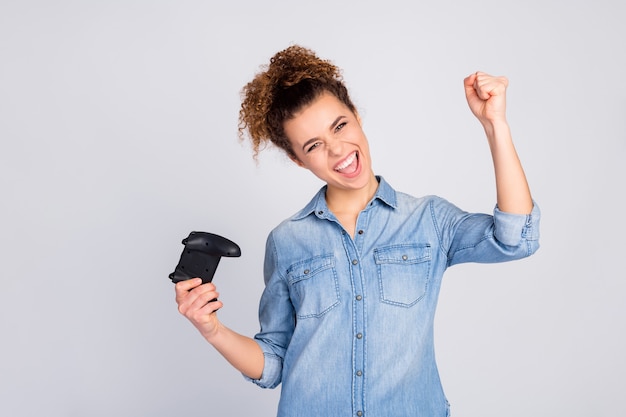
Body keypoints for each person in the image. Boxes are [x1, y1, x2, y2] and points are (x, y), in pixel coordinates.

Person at [175, 45, 540, 417]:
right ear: (297, 159)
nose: (337, 150)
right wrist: (212, 329)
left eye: (340, 125)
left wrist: (495, 125)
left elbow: (516, 239)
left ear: (357, 116)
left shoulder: (428, 219)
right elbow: (274, 363)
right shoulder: (286, 241)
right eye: (314, 145)